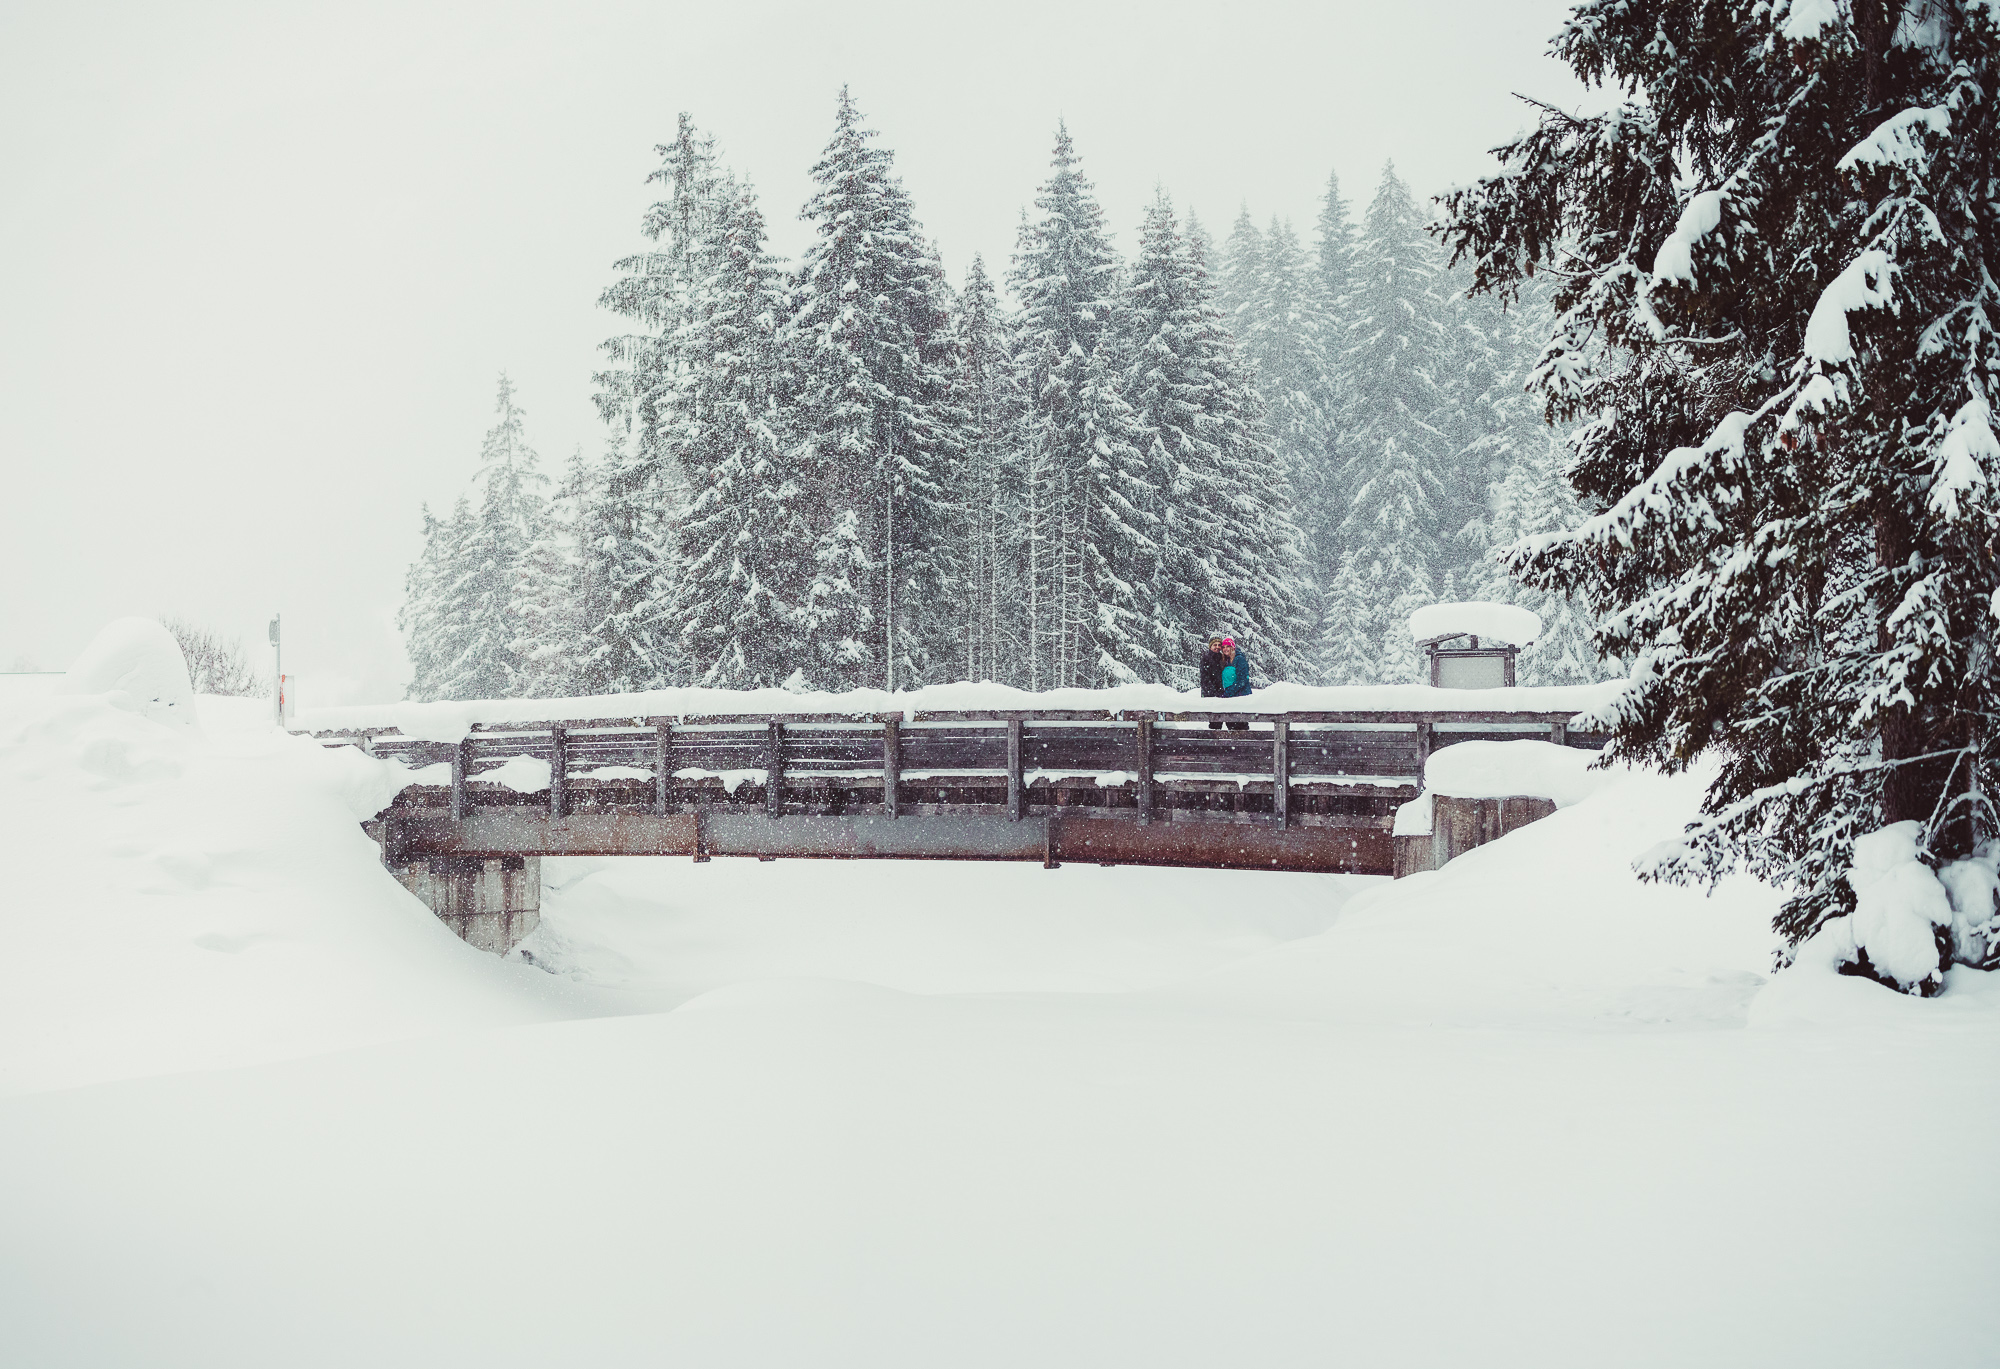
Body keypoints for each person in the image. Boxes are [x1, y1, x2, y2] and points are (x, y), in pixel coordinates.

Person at [1199, 635, 1252, 730]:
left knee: (1238, 725)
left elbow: (1242, 680)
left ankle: (1242, 743)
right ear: (1210, 646)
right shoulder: (1214, 659)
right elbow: (1205, 680)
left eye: (1220, 645)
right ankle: (1216, 743)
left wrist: (1226, 693)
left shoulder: (1238, 659)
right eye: (1223, 647)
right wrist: (1215, 693)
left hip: (1236, 697)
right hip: (1217, 697)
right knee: (1219, 725)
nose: (1219, 647)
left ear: (1233, 647)